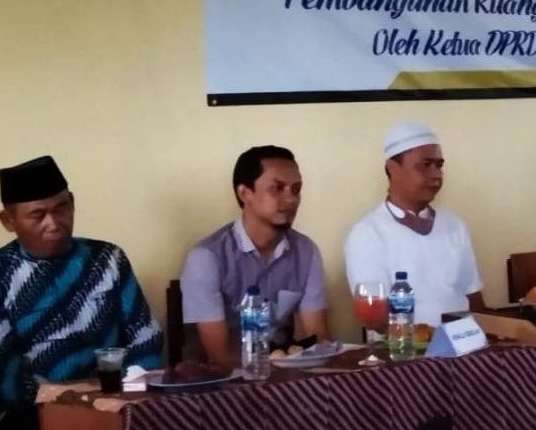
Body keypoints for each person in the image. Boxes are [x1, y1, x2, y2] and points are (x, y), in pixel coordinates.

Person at [0, 156, 162, 430]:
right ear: (8, 221)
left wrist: (130, 391)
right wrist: (71, 398)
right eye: (37, 215)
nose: (53, 223)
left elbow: (146, 338)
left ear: (72, 203)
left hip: (117, 400)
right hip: (32, 412)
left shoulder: (108, 259)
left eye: (61, 208)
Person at [181, 146, 329, 368]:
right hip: (222, 381)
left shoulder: (306, 252)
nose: (291, 199)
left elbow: (318, 337)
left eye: (296, 189)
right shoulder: (206, 258)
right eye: (277, 188)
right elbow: (219, 357)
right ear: (244, 193)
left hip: (284, 375)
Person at [343, 122, 485, 326]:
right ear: (392, 169)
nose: (436, 175)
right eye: (425, 165)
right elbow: (376, 319)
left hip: (463, 340)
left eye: (439, 166)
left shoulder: (454, 226)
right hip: (403, 345)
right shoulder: (367, 234)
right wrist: (426, 339)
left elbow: (474, 300)